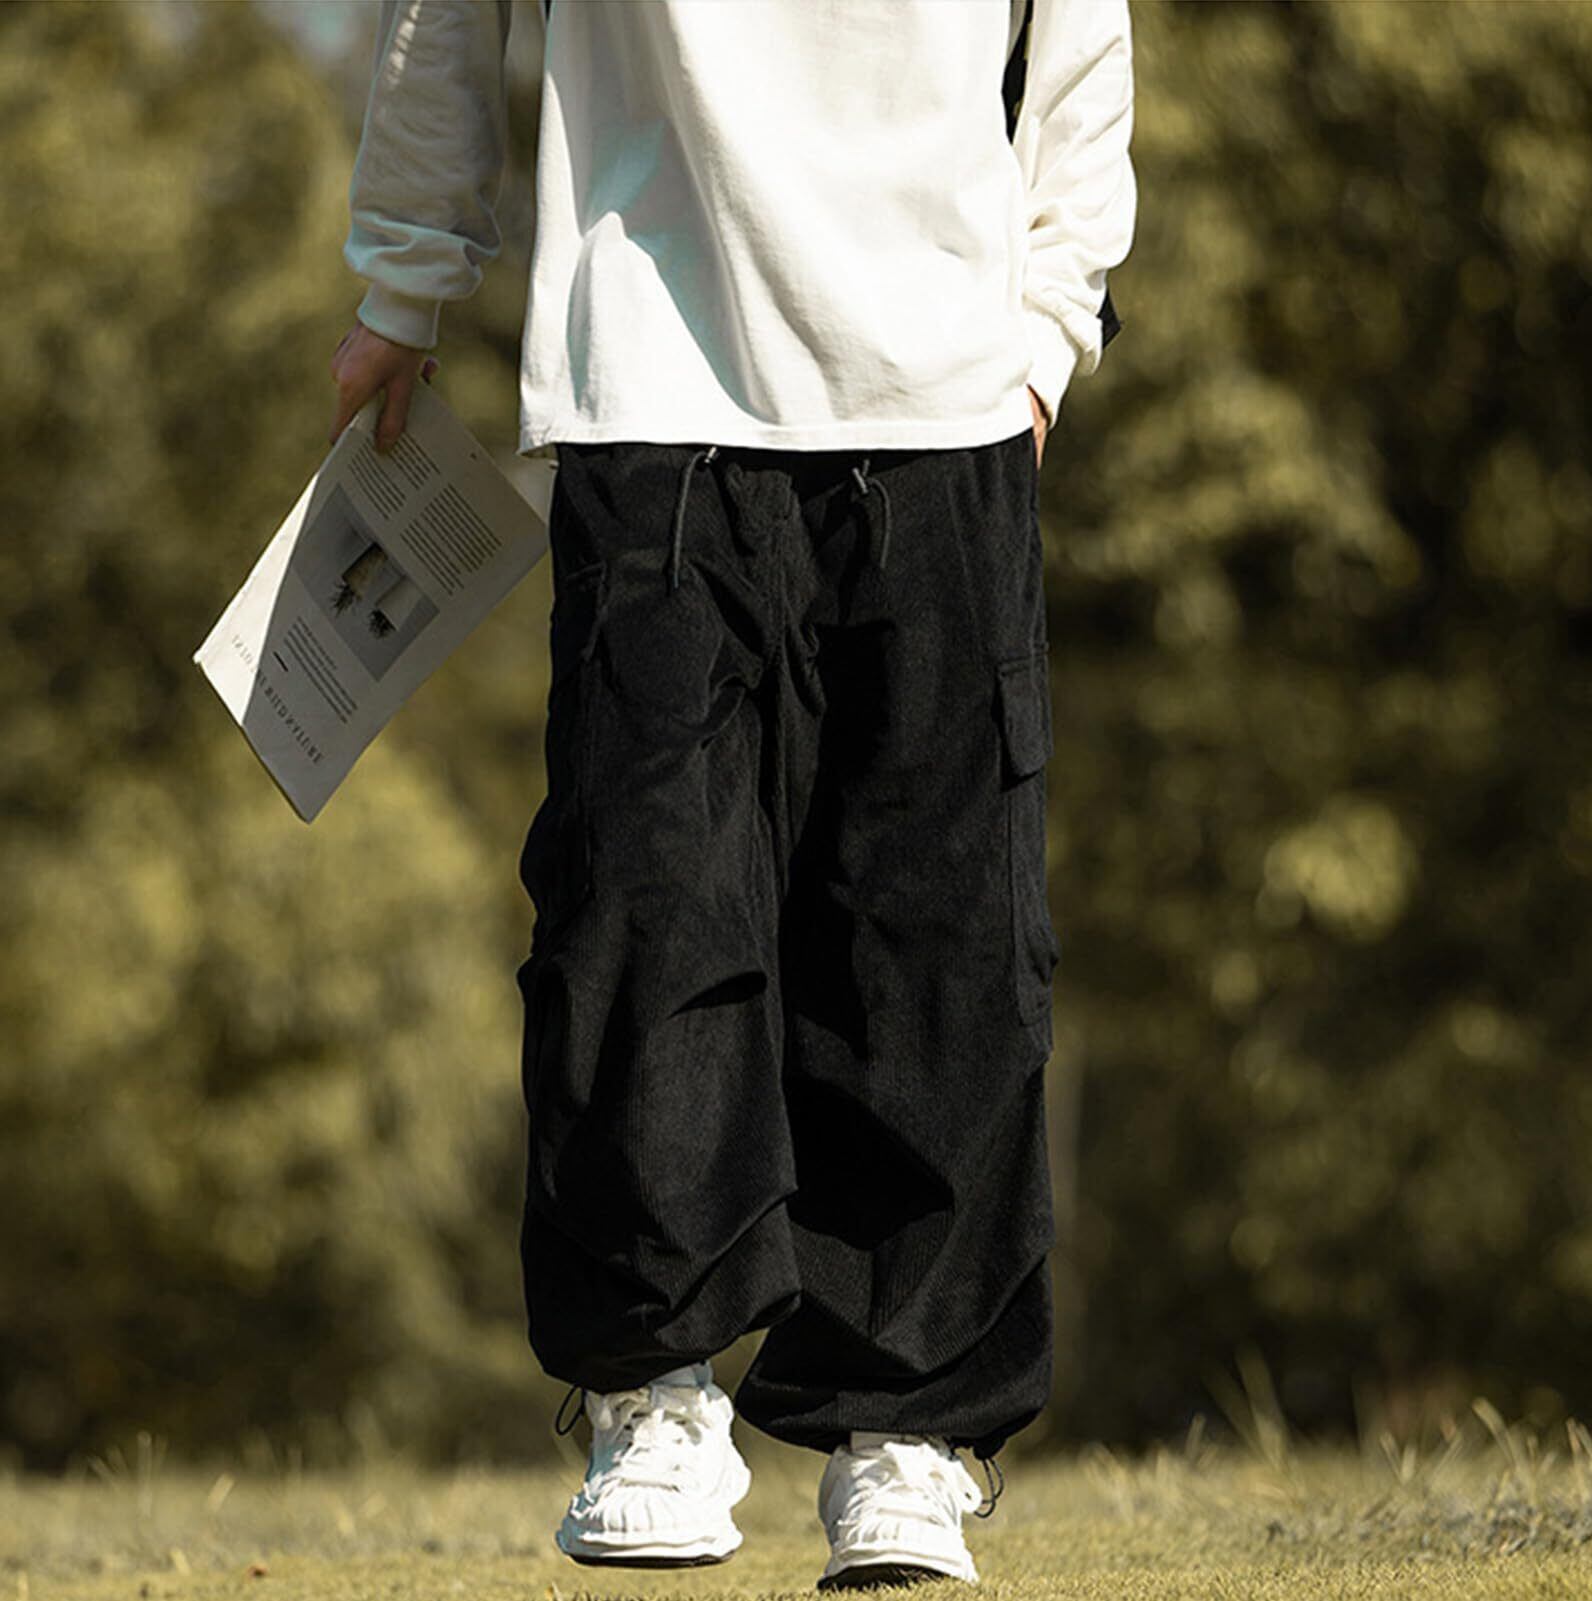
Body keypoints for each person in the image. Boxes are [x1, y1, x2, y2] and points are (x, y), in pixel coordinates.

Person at [328, 0, 1136, 1587]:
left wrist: (1047, 328)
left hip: (945, 404)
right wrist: (403, 284)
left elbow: (1078, 40)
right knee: (640, 907)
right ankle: (652, 1390)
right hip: (646, 383)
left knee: (936, 939)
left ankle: (905, 1428)